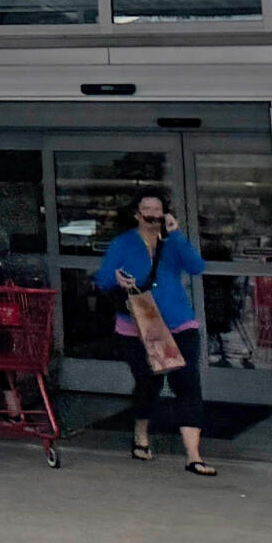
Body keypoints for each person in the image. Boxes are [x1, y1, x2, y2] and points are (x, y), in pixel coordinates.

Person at [97, 191, 216, 476]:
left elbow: (197, 267)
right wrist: (114, 278)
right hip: (139, 325)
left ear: (164, 213)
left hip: (178, 322)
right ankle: (141, 432)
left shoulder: (171, 241)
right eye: (146, 208)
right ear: (137, 213)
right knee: (149, 381)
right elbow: (102, 280)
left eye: (157, 209)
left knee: (187, 384)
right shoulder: (123, 242)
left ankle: (193, 455)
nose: (151, 213)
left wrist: (176, 235)